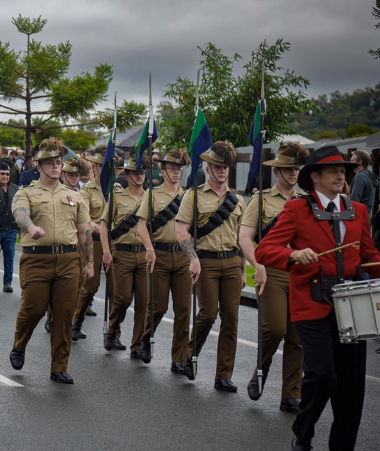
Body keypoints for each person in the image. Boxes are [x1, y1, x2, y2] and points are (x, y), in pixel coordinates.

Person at [255, 145, 380, 451]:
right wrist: (293, 253)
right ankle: (303, 431)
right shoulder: (297, 209)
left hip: (351, 306)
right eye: (334, 171)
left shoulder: (359, 211)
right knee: (321, 374)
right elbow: (264, 249)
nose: (341, 176)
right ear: (316, 177)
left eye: (343, 171)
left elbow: (369, 255)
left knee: (352, 386)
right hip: (311, 304)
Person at [10, 137, 94, 384]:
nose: (57, 167)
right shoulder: (26, 192)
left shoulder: (74, 196)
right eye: (51, 163)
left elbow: (84, 232)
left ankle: (59, 366)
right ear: (40, 166)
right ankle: (19, 344)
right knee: (34, 308)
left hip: (69, 260)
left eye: (59, 163)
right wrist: (31, 226)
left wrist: (88, 262)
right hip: (37, 260)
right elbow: (20, 215)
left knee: (64, 313)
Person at [239, 143, 309, 413]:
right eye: (288, 169)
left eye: (296, 169)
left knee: (298, 336)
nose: (293, 174)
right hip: (272, 271)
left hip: (300, 273)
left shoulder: (305, 200)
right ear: (277, 171)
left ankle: (291, 394)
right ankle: (261, 369)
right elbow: (244, 237)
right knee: (275, 329)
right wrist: (256, 265)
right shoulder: (262, 200)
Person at [176, 141, 246, 391]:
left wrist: (243, 268)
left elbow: (242, 238)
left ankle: (223, 375)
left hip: (232, 261)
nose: (222, 170)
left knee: (231, 319)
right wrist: (192, 258)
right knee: (208, 314)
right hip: (205, 261)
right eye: (217, 165)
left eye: (226, 166)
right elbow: (181, 231)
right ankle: (189, 354)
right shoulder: (193, 195)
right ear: (208, 167)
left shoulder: (238, 200)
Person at [137, 148, 193, 374]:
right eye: (172, 168)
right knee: (158, 306)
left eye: (179, 169)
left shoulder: (188, 196)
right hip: (158, 254)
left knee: (183, 309)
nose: (176, 172)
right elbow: (142, 224)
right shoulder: (152, 194)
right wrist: (149, 248)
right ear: (163, 170)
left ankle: (179, 357)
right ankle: (146, 339)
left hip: (181, 256)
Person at [72, 146, 120, 347]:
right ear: (95, 167)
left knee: (116, 291)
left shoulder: (118, 190)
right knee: (90, 287)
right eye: (101, 165)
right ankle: (76, 322)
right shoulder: (86, 191)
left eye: (109, 166)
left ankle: (113, 333)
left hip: (114, 243)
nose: (105, 169)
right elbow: (81, 217)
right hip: (93, 242)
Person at [101, 155, 148, 359]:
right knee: (122, 298)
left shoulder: (151, 198)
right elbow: (104, 225)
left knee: (144, 302)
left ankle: (136, 345)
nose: (139, 176)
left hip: (144, 255)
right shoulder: (117, 196)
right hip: (123, 253)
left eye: (142, 173)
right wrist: (105, 251)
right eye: (135, 173)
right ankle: (112, 328)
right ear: (127, 176)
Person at [44, 158, 89, 334]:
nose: (74, 178)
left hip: (79, 245)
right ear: (63, 175)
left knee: (77, 285)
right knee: (57, 286)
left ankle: (69, 319)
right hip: (62, 245)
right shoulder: (55, 193)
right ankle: (51, 317)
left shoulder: (82, 194)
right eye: (70, 174)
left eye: (77, 175)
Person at [0, 162, 19, 293]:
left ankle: (7, 282)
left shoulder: (16, 189)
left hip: (11, 228)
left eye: (7, 174)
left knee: (9, 256)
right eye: (2, 174)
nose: (5, 176)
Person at [349, 149, 379, 221]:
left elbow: (354, 201)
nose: (350, 163)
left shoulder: (360, 177)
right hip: (366, 217)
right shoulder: (369, 176)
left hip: (358, 218)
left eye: (352, 160)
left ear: (359, 162)